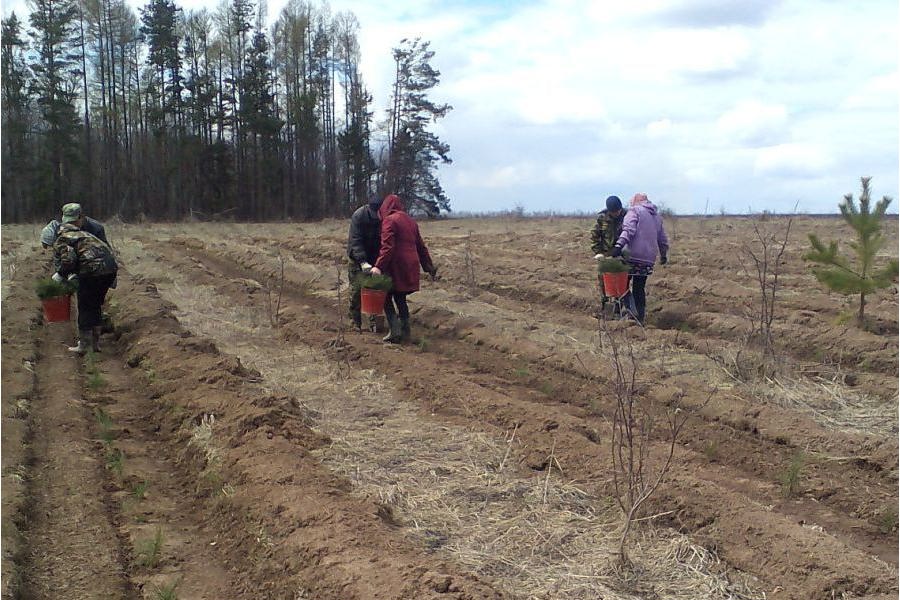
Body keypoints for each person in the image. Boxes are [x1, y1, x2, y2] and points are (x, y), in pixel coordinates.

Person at [51, 203, 118, 353]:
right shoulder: (83, 234)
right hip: (109, 269)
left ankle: (84, 346)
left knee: (85, 305)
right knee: (94, 305)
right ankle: (95, 344)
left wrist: (60, 274)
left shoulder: (63, 237)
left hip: (93, 271)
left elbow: (68, 260)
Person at [370, 194, 437, 343]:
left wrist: (378, 267)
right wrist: (428, 267)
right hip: (411, 265)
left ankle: (395, 331)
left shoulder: (389, 220)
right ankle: (406, 331)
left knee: (386, 295)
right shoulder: (411, 221)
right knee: (400, 297)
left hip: (397, 265)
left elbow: (388, 247)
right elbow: (421, 246)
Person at [609, 193, 669, 325]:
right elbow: (663, 240)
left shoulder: (634, 211)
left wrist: (618, 246)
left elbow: (628, 230)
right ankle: (640, 318)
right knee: (639, 287)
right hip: (648, 259)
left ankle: (630, 311)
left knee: (621, 283)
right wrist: (663, 255)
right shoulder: (657, 217)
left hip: (631, 256)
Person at [346, 195, 383, 329]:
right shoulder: (359, 216)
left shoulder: (382, 217)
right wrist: (362, 261)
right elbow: (355, 240)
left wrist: (379, 262)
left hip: (374, 258)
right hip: (357, 258)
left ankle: (374, 322)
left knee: (374, 289)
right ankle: (354, 322)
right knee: (356, 290)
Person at [590, 195, 627, 312]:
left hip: (623, 255)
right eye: (613, 212)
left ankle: (619, 308)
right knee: (604, 282)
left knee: (621, 283)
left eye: (618, 211)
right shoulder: (602, 218)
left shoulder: (628, 216)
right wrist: (599, 253)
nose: (616, 213)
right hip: (606, 256)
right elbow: (594, 236)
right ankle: (605, 308)